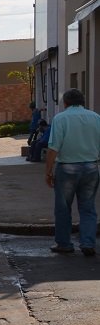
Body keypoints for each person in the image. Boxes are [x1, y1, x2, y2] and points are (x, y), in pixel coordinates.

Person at [44, 88, 100, 256]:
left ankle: (64, 243)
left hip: (67, 168)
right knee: (88, 207)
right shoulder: (96, 118)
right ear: (83, 102)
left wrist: (48, 172)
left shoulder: (60, 119)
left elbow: (53, 148)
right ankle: (88, 242)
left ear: (65, 103)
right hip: (91, 167)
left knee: (63, 208)